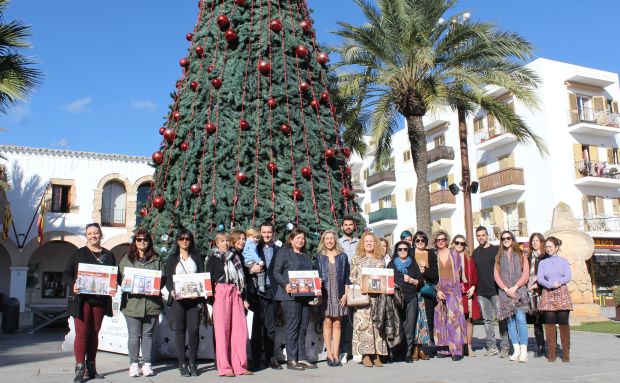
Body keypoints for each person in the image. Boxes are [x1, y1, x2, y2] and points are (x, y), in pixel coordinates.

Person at [64, 223, 117, 383]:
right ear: (86, 236)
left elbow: (115, 275)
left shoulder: (109, 255)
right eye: (90, 233)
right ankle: (80, 369)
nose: (93, 236)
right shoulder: (77, 254)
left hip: (100, 300)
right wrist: (72, 284)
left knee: (94, 332)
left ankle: (91, 367)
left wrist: (114, 286)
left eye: (96, 233)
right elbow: (67, 273)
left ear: (101, 234)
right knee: (82, 333)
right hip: (82, 300)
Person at [206, 232, 252, 377]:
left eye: (227, 240)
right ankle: (225, 368)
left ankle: (240, 366)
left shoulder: (235, 256)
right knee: (222, 332)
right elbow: (207, 280)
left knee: (240, 331)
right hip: (220, 292)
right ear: (216, 243)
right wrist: (209, 303)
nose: (225, 243)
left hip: (236, 292)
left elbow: (242, 279)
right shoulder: (213, 259)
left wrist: (244, 298)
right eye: (222, 241)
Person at [118, 229, 164, 377]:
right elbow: (120, 278)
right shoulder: (127, 259)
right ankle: (133, 364)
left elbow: (163, 279)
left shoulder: (157, 260)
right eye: (138, 239)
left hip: (151, 304)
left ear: (149, 241)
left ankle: (147, 364)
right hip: (132, 304)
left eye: (145, 239)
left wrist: (155, 286)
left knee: (148, 335)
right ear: (134, 242)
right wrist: (128, 285)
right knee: (133, 335)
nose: (142, 242)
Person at [272, 228, 318, 371]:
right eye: (297, 238)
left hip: (305, 296)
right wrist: (285, 285)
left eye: (302, 238)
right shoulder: (284, 253)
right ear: (291, 240)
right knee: (292, 327)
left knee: (303, 327)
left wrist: (314, 289)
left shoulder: (305, 255)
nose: (300, 240)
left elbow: (310, 274)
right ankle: (291, 359)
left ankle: (302, 358)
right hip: (289, 297)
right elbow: (276, 272)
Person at [164, 229, 204, 377]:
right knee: (180, 330)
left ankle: (193, 362)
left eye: (187, 239)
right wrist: (172, 291)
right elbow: (168, 278)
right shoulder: (172, 258)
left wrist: (200, 293)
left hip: (194, 300)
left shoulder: (197, 257)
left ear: (191, 240)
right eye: (181, 239)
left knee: (194, 330)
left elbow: (202, 276)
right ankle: (182, 363)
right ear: (177, 241)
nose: (184, 241)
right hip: (178, 300)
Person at [350, 232, 388, 367]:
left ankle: (377, 354)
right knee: (363, 325)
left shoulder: (380, 260)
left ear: (375, 243)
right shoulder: (356, 259)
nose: (369, 243)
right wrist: (359, 281)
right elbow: (352, 276)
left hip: (377, 298)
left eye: (371, 241)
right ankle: (365, 354)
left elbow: (385, 278)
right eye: (366, 241)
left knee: (377, 325)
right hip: (363, 297)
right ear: (362, 243)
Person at [472, 226, 509, 357]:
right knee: (487, 320)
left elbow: (503, 268)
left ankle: (505, 346)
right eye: (478, 235)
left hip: (496, 290)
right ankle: (491, 346)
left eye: (483, 235)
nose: (481, 237)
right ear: (476, 237)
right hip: (482, 292)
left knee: (501, 318)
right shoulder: (475, 253)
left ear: (487, 236)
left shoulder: (495, 250)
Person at [494, 231, 530, 363]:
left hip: (519, 291)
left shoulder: (521, 254)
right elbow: (496, 275)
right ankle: (516, 350)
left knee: (521, 319)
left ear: (512, 239)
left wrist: (515, 286)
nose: (506, 240)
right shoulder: (499, 256)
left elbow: (525, 273)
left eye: (508, 238)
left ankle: (524, 351)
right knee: (510, 322)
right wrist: (505, 288)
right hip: (505, 293)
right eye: (503, 239)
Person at [315, 230, 350, 367]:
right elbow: (316, 276)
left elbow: (347, 276)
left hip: (339, 292)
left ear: (335, 240)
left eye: (331, 238)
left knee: (338, 324)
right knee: (327, 322)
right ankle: (329, 354)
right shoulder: (319, 257)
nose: (329, 241)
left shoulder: (342, 256)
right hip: (326, 293)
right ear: (323, 241)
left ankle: (336, 354)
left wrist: (346, 294)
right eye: (326, 239)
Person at [250, 221, 282, 370]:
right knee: (257, 327)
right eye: (264, 232)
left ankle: (271, 358)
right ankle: (256, 360)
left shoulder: (279, 249)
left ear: (273, 233)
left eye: (269, 232)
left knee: (270, 327)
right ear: (260, 233)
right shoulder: (254, 248)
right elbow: (247, 265)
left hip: (272, 291)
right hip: (257, 292)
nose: (266, 235)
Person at [537, 236, 573, 363]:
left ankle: (565, 353)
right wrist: (550, 285)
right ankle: (551, 353)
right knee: (550, 323)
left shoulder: (563, 261)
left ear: (556, 248)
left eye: (550, 246)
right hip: (548, 293)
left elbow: (568, 276)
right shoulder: (542, 263)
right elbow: (539, 278)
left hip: (562, 293)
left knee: (563, 322)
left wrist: (559, 282)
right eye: (546, 247)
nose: (548, 249)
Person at [433, 230, 467, 361]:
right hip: (439, 290)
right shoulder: (433, 255)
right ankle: (444, 349)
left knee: (454, 320)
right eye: (438, 240)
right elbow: (432, 276)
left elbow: (458, 273)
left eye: (442, 239)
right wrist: (437, 290)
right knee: (440, 320)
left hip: (453, 290)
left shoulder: (454, 254)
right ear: (435, 242)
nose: (440, 241)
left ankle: (457, 350)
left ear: (446, 240)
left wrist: (456, 290)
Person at [387, 240, 422, 363]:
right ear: (396, 251)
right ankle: (394, 353)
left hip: (411, 297)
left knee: (409, 326)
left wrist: (411, 280)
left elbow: (420, 281)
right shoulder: (391, 264)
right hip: (395, 299)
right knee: (396, 326)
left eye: (405, 249)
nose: (402, 251)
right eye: (400, 249)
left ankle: (408, 353)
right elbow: (387, 281)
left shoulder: (413, 264)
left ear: (408, 250)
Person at [451, 235, 480, 357]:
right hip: (453, 291)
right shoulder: (448, 257)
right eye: (457, 242)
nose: (459, 245)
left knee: (469, 319)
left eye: (462, 243)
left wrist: (473, 287)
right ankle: (458, 347)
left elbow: (474, 273)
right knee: (456, 320)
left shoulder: (469, 258)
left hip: (468, 290)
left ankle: (468, 346)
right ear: (453, 243)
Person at [411, 230, 438, 360]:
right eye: (417, 240)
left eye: (422, 240)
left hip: (426, 291)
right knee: (414, 318)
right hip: (412, 289)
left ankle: (422, 348)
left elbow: (435, 275)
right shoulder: (410, 253)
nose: (420, 242)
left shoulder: (431, 254)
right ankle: (414, 348)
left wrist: (425, 271)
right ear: (414, 242)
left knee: (426, 319)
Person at [338, 215, 358, 364]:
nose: (348, 227)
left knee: (357, 318)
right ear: (342, 227)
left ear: (354, 226)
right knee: (344, 319)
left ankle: (357, 350)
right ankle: (344, 350)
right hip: (343, 284)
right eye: (346, 225)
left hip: (357, 284)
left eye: (350, 224)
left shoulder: (360, 243)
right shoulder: (338, 243)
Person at [528, 233, 546, 358]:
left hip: (543, 291)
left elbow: (548, 274)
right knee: (536, 320)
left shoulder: (545, 257)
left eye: (537, 240)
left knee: (549, 319)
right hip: (531, 293)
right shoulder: (529, 257)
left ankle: (551, 345)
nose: (534, 243)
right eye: (533, 241)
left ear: (541, 242)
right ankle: (540, 347)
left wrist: (538, 284)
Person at [243, 228, 266, 294]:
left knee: (253, 276)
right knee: (261, 273)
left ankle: (253, 287)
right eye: (253, 237)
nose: (255, 239)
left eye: (257, 238)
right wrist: (259, 261)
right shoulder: (251, 244)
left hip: (247, 261)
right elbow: (253, 253)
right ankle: (261, 287)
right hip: (251, 261)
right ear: (248, 237)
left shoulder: (247, 243)